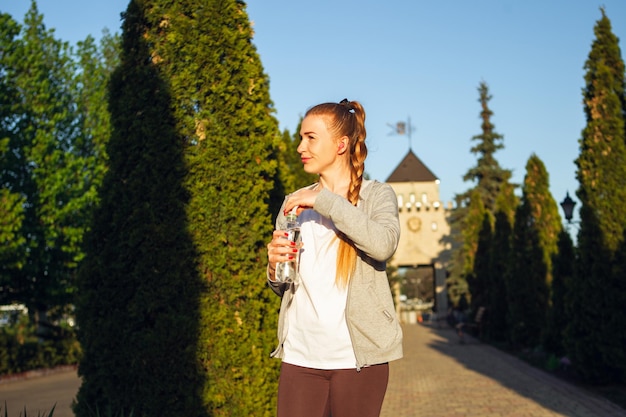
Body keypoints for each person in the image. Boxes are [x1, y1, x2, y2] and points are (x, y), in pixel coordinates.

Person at [266, 98, 403, 417]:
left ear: (341, 144)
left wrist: (323, 201)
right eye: (301, 137)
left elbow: (383, 245)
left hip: (357, 361)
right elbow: (283, 286)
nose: (301, 146)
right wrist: (274, 268)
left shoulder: (375, 196)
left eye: (311, 138)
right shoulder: (293, 204)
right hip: (300, 358)